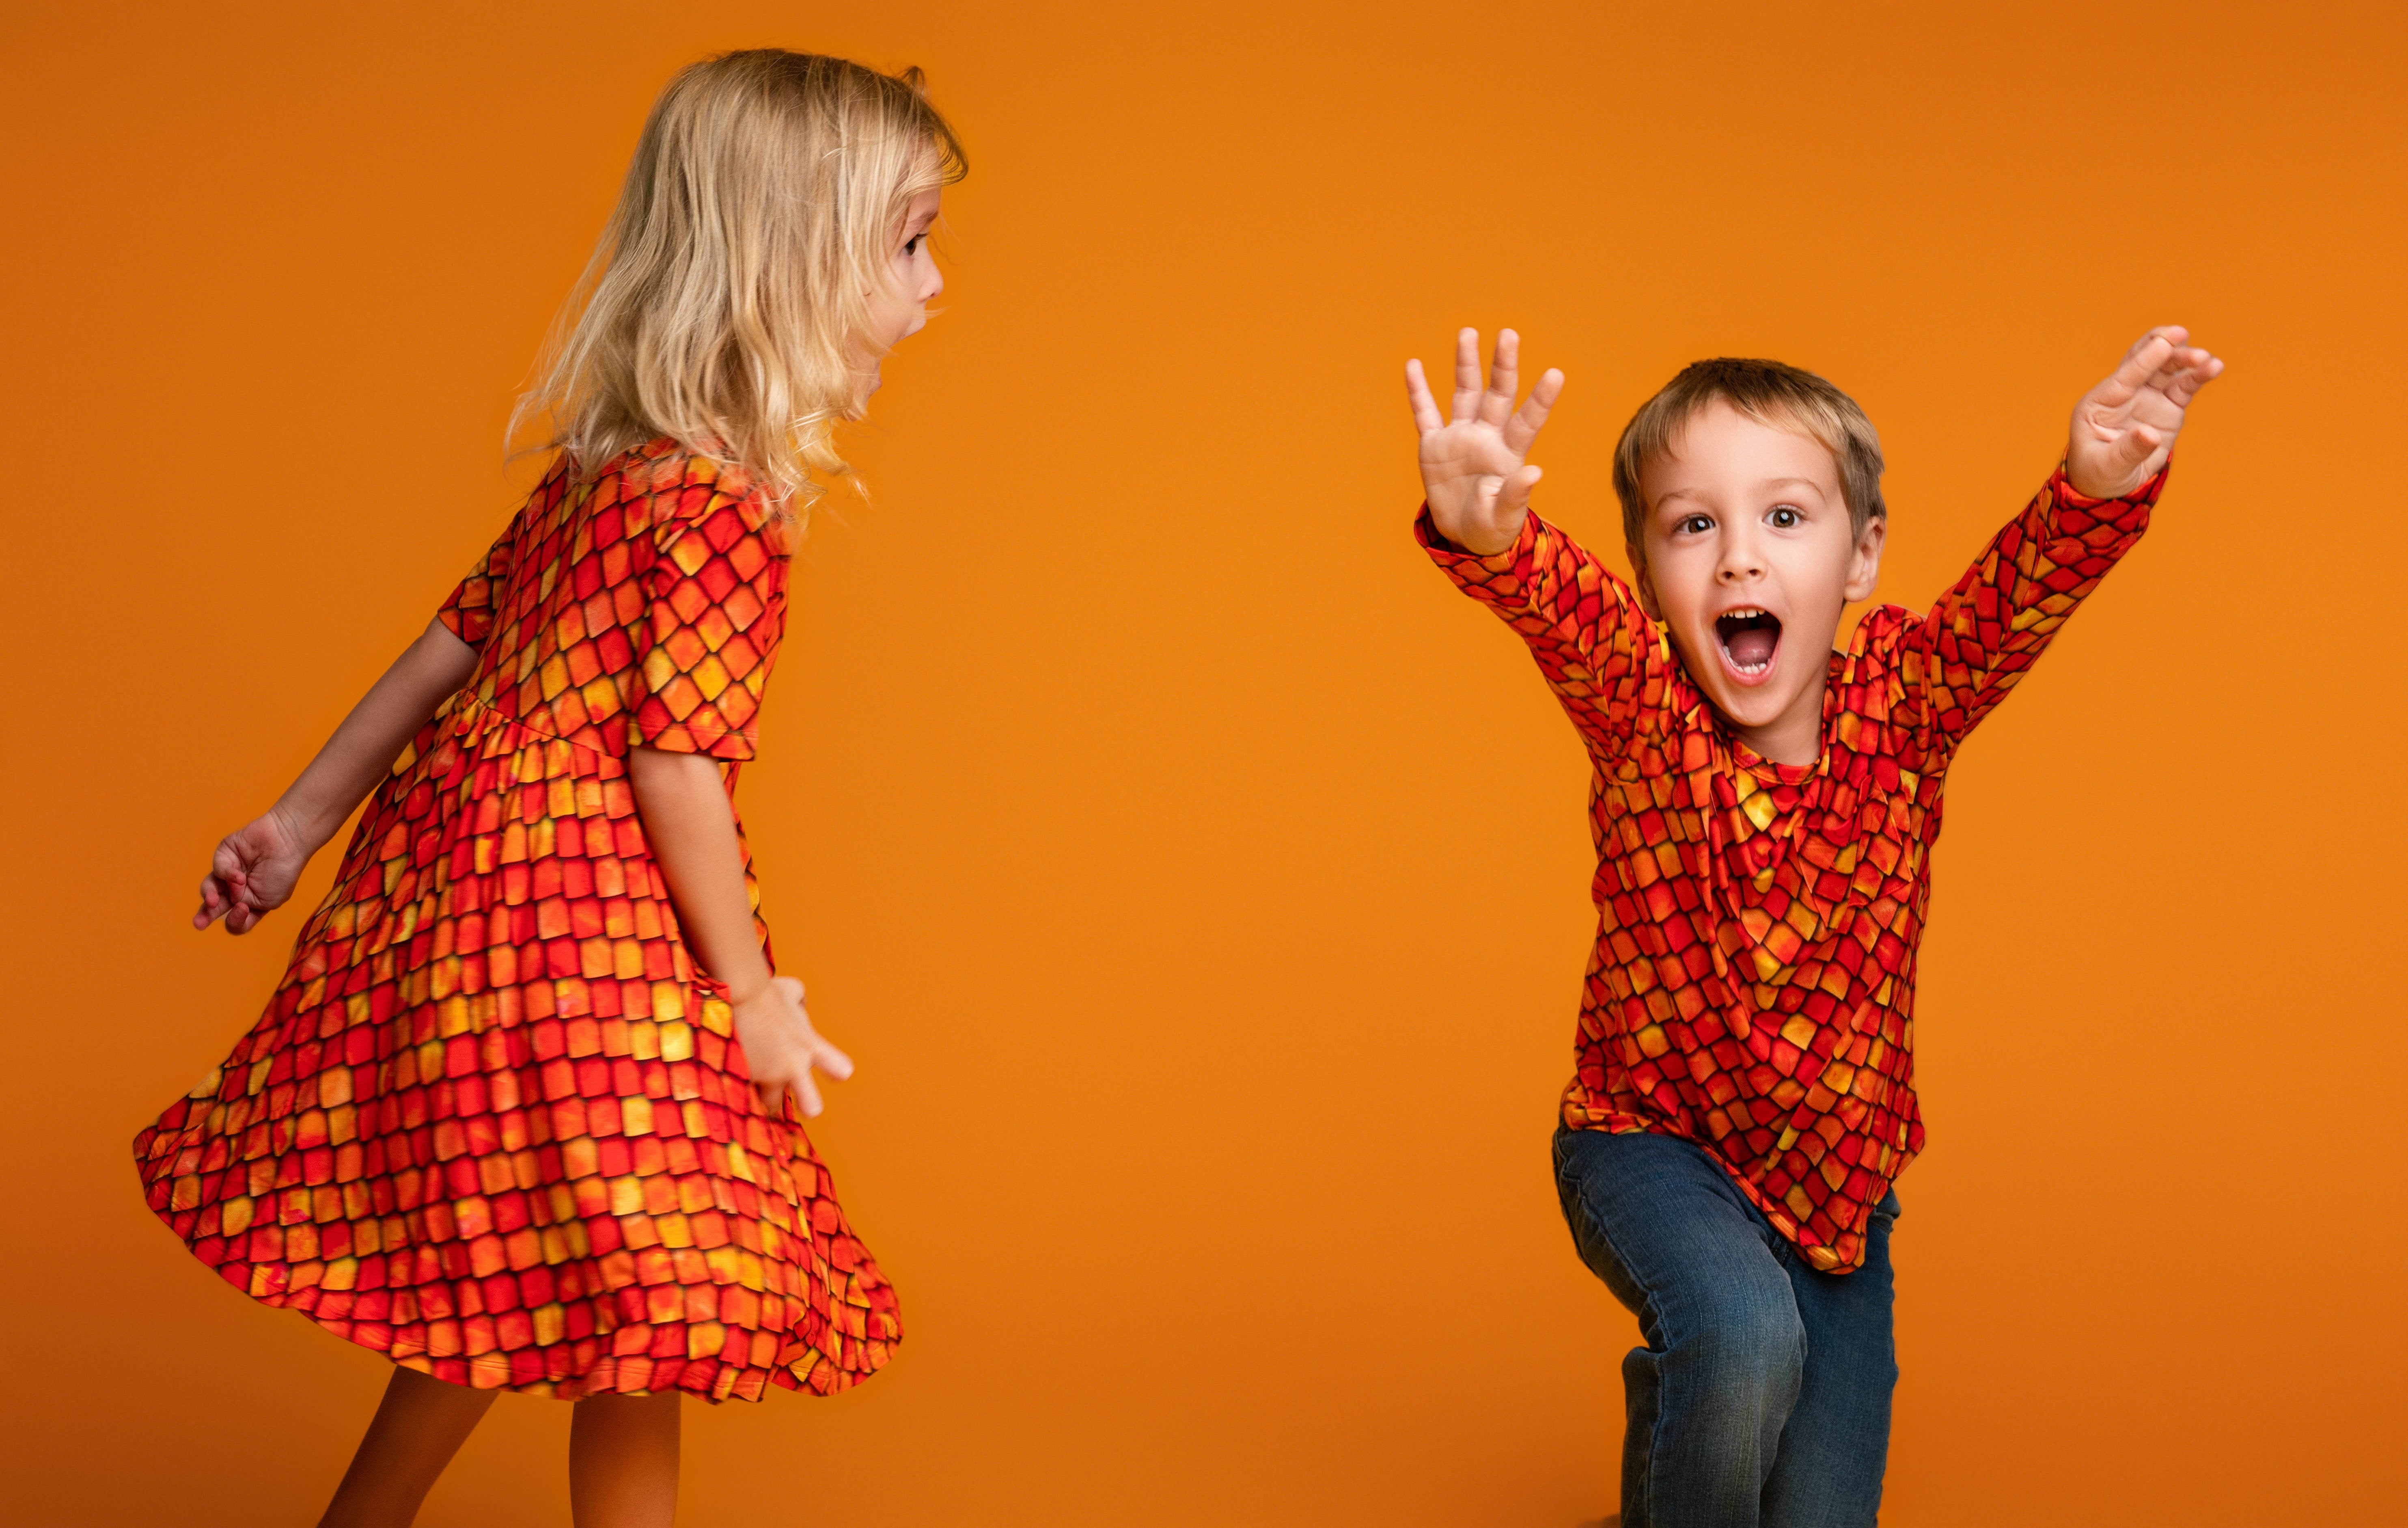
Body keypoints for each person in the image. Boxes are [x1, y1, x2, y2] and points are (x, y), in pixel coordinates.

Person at [133, 50, 964, 1528]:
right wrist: (756, 989)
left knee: (538, 1262)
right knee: (642, 1280)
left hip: (455, 918)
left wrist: (295, 823)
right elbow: (675, 759)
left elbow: (446, 643)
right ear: (795, 260)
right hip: (584, 946)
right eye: (906, 243)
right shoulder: (717, 510)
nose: (932, 286)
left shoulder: (609, 465)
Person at [1406, 326, 2220, 1527]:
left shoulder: (1909, 704)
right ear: (1648, 569)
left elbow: (2008, 612)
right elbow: (1565, 616)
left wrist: (2092, 490)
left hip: (1841, 1199)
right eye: (1695, 526)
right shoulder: (1646, 711)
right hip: (1653, 1144)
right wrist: (1494, 538)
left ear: (1861, 556)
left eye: (1785, 517)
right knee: (1739, 1338)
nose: (1740, 559)